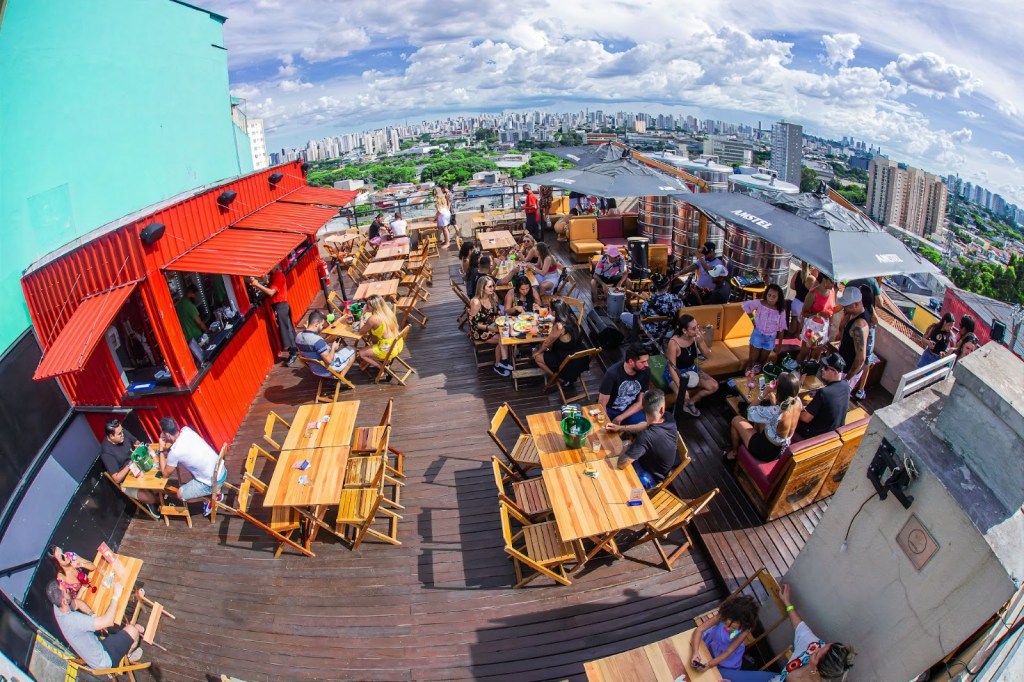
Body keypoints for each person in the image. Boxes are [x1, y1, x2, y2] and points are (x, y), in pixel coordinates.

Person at [721, 584, 855, 682]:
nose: (818, 648)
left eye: (818, 654)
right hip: (772, 679)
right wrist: (787, 603)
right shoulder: (814, 646)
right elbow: (800, 627)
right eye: (826, 645)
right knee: (719, 674)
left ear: (818, 670)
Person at [47, 579, 145, 670]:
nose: (69, 589)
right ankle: (129, 655)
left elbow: (76, 603)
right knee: (133, 630)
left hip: (96, 648)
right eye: (67, 591)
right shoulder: (74, 620)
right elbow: (108, 621)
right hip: (105, 659)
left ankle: (127, 641)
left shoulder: (58, 607)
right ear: (64, 602)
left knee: (125, 627)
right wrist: (115, 596)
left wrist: (93, 616)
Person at [726, 373, 802, 462]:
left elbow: (748, 411)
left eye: (776, 384)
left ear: (780, 390)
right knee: (760, 419)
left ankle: (734, 453)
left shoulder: (774, 411)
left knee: (736, 420)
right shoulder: (797, 403)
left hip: (764, 451)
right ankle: (750, 435)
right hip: (781, 449)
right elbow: (780, 415)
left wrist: (764, 393)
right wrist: (774, 403)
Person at [611, 389, 679, 489]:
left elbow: (621, 464)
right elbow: (645, 425)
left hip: (651, 477)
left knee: (613, 467)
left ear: (643, 409)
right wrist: (620, 428)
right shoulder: (668, 418)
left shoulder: (646, 436)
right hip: (659, 466)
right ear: (662, 409)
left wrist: (627, 445)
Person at [157, 417, 225, 513]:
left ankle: (211, 498)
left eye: (163, 432)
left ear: (167, 435)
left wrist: (160, 448)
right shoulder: (186, 430)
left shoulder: (175, 452)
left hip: (213, 482)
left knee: (180, 495)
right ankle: (212, 494)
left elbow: (164, 474)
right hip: (221, 469)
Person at [690, 594, 760, 674]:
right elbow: (700, 629)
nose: (727, 628)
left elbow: (728, 651)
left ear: (743, 625)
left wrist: (709, 664)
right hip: (712, 642)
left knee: (717, 673)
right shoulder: (723, 615)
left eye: (733, 628)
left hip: (727, 655)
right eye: (725, 623)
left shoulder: (744, 631)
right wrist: (695, 652)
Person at [666, 314, 719, 418]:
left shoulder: (695, 338)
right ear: (685, 331)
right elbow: (671, 367)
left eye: (697, 326)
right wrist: (682, 388)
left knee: (714, 386)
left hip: (691, 369)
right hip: (676, 371)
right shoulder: (674, 343)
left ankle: (691, 402)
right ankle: (674, 419)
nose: (697, 330)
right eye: (694, 328)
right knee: (681, 396)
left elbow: (707, 355)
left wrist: (701, 341)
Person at [99, 419, 160, 508]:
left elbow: (136, 441)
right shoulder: (106, 452)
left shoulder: (121, 431)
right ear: (111, 436)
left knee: (156, 485)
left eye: (122, 432)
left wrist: (138, 446)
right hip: (126, 480)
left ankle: (158, 498)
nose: (122, 435)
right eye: (119, 434)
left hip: (137, 466)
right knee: (149, 497)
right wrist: (130, 464)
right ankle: (160, 502)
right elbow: (117, 478)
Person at [249, 266, 299, 366]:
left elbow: (271, 292)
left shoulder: (278, 276)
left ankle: (293, 353)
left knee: (286, 330)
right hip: (280, 305)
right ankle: (295, 350)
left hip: (281, 305)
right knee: (287, 329)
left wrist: (257, 285)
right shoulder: (274, 276)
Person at [532, 299, 588, 386]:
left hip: (566, 361)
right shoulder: (572, 318)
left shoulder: (559, 326)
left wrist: (537, 352)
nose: (548, 310)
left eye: (549, 308)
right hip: (580, 356)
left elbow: (547, 343)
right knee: (549, 347)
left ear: (554, 312)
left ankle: (560, 379)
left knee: (537, 357)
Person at [620, 273, 683, 346]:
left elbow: (640, 318)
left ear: (653, 287)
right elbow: (681, 310)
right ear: (667, 287)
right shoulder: (676, 299)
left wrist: (649, 299)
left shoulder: (647, 303)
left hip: (650, 330)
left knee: (623, 315)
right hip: (666, 330)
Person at [796, 353, 850, 438]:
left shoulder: (824, 393)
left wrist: (798, 407)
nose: (822, 369)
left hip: (817, 436)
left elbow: (805, 418)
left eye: (826, 368)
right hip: (835, 432)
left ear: (835, 372)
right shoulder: (846, 386)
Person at [469, 276, 514, 377]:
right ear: (482, 288)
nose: (493, 288)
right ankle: (499, 364)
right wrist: (489, 328)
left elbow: (497, 312)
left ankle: (502, 362)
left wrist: (501, 318)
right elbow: (473, 323)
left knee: (508, 333)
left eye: (493, 286)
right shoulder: (476, 302)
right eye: (490, 286)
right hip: (480, 331)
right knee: (502, 339)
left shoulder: (492, 297)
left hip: (493, 325)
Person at [598, 344, 651, 426]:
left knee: (644, 426)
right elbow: (602, 404)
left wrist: (620, 417)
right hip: (610, 409)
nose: (646, 364)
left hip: (630, 410)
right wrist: (605, 420)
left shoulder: (646, 372)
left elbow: (641, 402)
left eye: (647, 361)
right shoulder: (612, 373)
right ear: (631, 362)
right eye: (643, 362)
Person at [295, 310, 356, 377]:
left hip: (315, 370)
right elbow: (329, 361)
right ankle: (341, 378)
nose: (322, 327)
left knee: (332, 344)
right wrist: (333, 348)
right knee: (352, 349)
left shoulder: (298, 337)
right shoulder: (317, 340)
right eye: (321, 325)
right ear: (316, 325)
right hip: (327, 370)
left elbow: (307, 351)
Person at [741, 284, 788, 371]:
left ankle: (755, 382)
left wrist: (779, 345)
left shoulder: (781, 311)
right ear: (766, 294)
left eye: (774, 296)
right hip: (758, 335)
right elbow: (746, 306)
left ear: (778, 298)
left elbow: (781, 329)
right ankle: (746, 380)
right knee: (752, 362)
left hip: (770, 339)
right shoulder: (759, 303)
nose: (771, 298)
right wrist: (752, 320)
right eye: (769, 295)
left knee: (761, 363)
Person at [356, 295, 404, 377]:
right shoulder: (387, 312)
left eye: (368, 304)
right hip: (397, 344)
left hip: (387, 349)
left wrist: (361, 316)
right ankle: (381, 364)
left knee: (361, 353)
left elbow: (361, 331)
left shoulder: (373, 319)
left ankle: (382, 368)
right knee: (373, 341)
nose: (366, 306)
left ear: (373, 306)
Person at [835, 286, 870, 391]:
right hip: (843, 367)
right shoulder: (857, 314)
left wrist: (846, 379)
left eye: (847, 305)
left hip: (846, 372)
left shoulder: (858, 325)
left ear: (856, 304)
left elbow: (861, 359)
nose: (844, 307)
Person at [796, 275, 836, 363]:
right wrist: (818, 314)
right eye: (832, 281)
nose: (834, 284)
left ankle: (810, 374)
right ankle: (797, 371)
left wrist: (830, 326)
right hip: (811, 327)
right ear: (824, 280)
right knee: (804, 353)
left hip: (823, 328)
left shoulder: (832, 291)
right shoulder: (813, 294)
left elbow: (831, 310)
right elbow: (804, 313)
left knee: (816, 355)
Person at [788, 264, 817, 337]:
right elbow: (814, 294)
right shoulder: (811, 278)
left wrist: (799, 288)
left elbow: (792, 286)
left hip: (795, 302)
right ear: (812, 267)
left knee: (792, 326)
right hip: (802, 305)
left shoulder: (797, 273)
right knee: (799, 332)